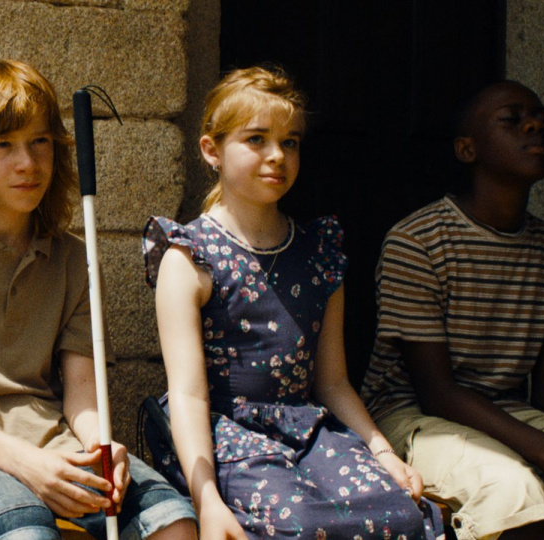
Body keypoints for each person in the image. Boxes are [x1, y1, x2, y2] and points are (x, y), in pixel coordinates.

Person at [0, 59, 198, 540]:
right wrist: (26, 464)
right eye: (3, 145)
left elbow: (83, 391)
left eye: (40, 141)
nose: (27, 163)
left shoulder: (74, 257)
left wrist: (100, 444)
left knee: (171, 519)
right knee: (24, 526)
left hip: (52, 437)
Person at [143, 66, 442, 539]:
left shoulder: (319, 253)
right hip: (225, 436)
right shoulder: (189, 256)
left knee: (402, 515)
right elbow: (188, 393)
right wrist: (207, 500)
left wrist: (383, 452)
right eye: (256, 139)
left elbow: (334, 382)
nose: (277, 156)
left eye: (290, 142)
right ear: (211, 150)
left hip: (308, 431)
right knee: (301, 526)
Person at [360, 80, 544, 540]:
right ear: (467, 149)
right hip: (411, 415)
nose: (535, 127)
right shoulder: (418, 241)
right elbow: (437, 391)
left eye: (542, 121)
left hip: (505, 408)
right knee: (512, 490)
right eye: (512, 119)